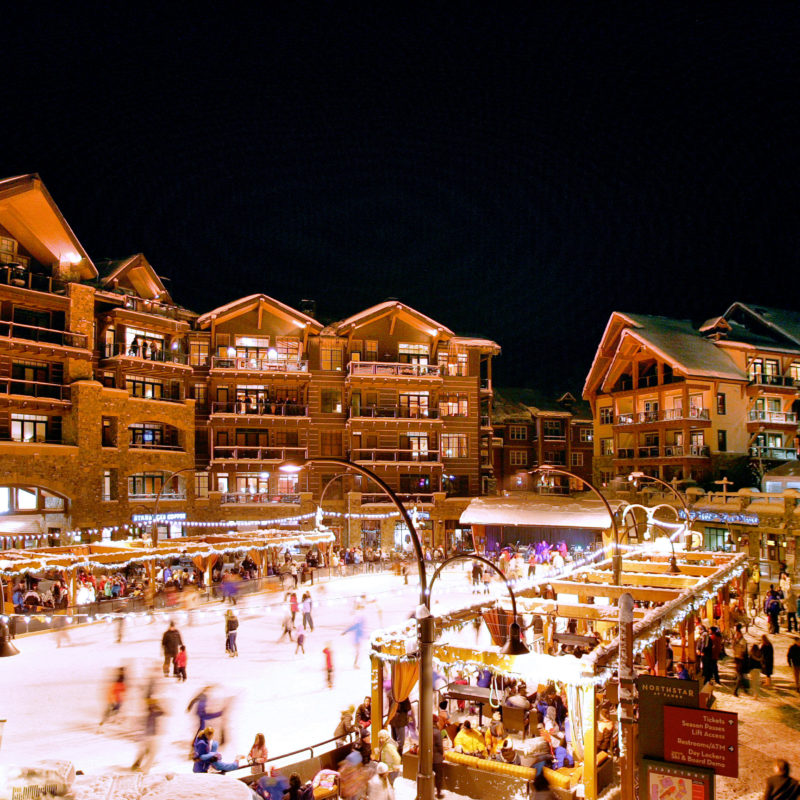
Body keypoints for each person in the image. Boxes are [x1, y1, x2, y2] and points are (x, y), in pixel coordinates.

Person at [131, 695, 165, 772]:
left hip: (146, 735)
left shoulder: (148, 713)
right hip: (152, 736)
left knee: (145, 751)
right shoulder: (153, 714)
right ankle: (144, 769)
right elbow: (163, 712)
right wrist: (156, 704)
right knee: (152, 753)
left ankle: (136, 765)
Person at [732, 624, 749, 697]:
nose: (736, 636)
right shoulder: (738, 641)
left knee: (740, 676)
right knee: (741, 675)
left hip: (741, 660)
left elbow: (743, 651)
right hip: (738, 659)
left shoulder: (742, 641)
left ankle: (737, 690)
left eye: (737, 634)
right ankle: (743, 688)